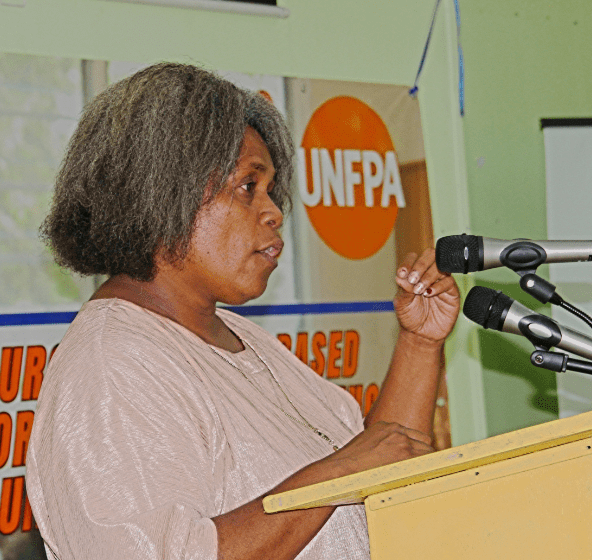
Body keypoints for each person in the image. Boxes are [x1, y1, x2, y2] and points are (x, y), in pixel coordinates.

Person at [25, 62, 460, 560]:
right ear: (163, 193)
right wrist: (338, 473)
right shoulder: (112, 366)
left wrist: (420, 344)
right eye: (247, 187)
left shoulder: (240, 338)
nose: (274, 211)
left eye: (271, 190)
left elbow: (382, 460)